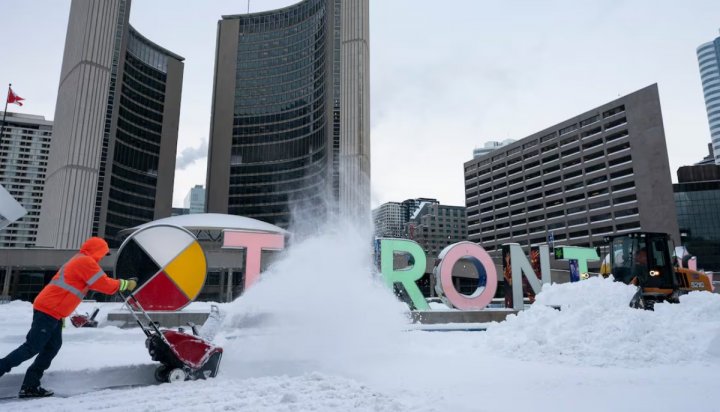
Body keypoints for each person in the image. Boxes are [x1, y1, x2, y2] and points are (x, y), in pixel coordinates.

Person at [0, 237, 137, 398]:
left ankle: (30, 385)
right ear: (97, 251)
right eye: (102, 254)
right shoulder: (85, 262)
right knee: (32, 347)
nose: (102, 258)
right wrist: (126, 284)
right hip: (49, 309)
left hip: (54, 311)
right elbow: (104, 285)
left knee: (52, 347)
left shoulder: (81, 260)